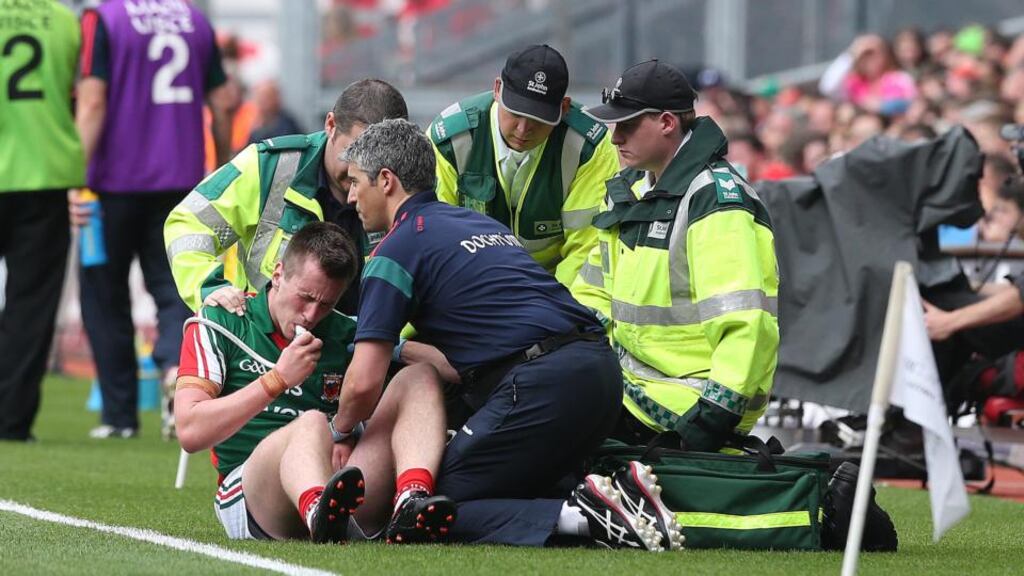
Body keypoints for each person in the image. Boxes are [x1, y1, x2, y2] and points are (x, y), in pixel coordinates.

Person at [340, 118, 683, 552]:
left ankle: (582, 516)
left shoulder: (394, 249)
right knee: (516, 483)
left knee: (432, 506)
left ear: (385, 181)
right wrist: (408, 351)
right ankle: (617, 500)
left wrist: (340, 432)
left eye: (355, 182)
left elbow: (363, 381)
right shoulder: (477, 224)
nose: (351, 196)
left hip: (540, 385)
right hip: (599, 373)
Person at [175, 222, 456, 543]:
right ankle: (319, 514)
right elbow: (190, 432)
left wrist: (392, 345)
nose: (311, 315)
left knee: (419, 376)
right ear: (278, 274)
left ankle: (410, 501)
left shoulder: (342, 331)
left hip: (339, 485)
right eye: (305, 297)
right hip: (251, 494)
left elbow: (447, 368)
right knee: (310, 424)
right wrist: (276, 380)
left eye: (326, 304)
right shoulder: (221, 322)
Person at [571, 60, 780, 452]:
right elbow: (593, 297)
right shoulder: (628, 188)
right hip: (629, 391)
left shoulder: (715, 201)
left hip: (687, 409)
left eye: (627, 124)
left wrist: (711, 420)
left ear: (667, 123)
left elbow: (745, 325)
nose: (615, 138)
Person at [69, 0, 231, 439]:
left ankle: (120, 416)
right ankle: (177, 381)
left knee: (104, 296)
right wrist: (224, 169)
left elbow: (93, 100)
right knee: (174, 288)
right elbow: (221, 101)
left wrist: (76, 177)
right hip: (180, 182)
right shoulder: (195, 19)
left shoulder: (101, 18)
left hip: (110, 183)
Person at [165, 78, 408, 317]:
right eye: (354, 152)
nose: (363, 170)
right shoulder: (269, 167)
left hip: (370, 349)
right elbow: (188, 223)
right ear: (331, 125)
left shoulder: (412, 181)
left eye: (378, 160)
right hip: (266, 348)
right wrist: (210, 288)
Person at [426, 44, 619, 287]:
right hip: (469, 289)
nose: (523, 129)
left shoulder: (588, 147)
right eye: (515, 112)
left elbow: (588, 248)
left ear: (564, 108)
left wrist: (550, 308)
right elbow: (434, 243)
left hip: (555, 292)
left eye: (539, 119)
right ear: (497, 89)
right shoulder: (452, 140)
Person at [0, 1, 85, 442]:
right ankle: (11, 421)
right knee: (31, 305)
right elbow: (79, 93)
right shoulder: (64, 20)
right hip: (44, 173)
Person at [247, 79, 303, 144]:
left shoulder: (287, 125)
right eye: (259, 97)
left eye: (266, 96)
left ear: (276, 98)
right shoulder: (255, 127)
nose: (262, 101)